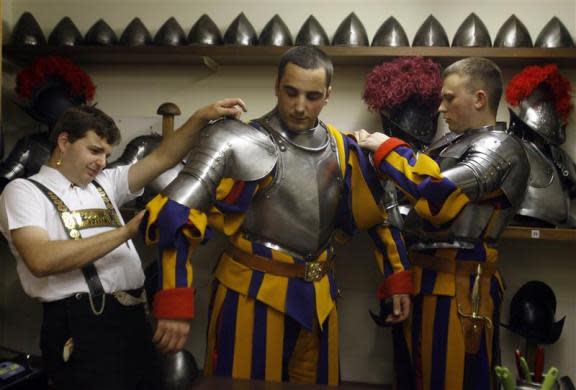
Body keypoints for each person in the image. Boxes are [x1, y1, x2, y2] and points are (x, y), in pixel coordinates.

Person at [143, 46, 412, 385]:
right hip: (249, 296)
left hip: (320, 299)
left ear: (327, 96)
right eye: (291, 92)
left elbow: (378, 214)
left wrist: (397, 279)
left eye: (313, 96)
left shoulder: (343, 148)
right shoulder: (236, 141)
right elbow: (177, 213)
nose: (300, 106)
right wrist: (174, 300)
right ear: (277, 86)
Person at [0, 98, 246, 390]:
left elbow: (162, 157)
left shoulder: (104, 183)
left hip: (132, 318)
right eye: (94, 150)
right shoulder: (24, 191)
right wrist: (126, 231)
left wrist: (202, 117)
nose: (102, 162)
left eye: (106, 154)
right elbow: (40, 259)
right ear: (64, 142)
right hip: (79, 326)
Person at [356, 57, 530, 390]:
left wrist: (387, 148)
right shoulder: (447, 144)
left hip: (461, 287)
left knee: (453, 379)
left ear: (479, 98)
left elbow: (436, 192)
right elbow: (398, 205)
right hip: (421, 279)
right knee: (412, 376)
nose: (440, 107)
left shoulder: (501, 147)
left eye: (449, 98)